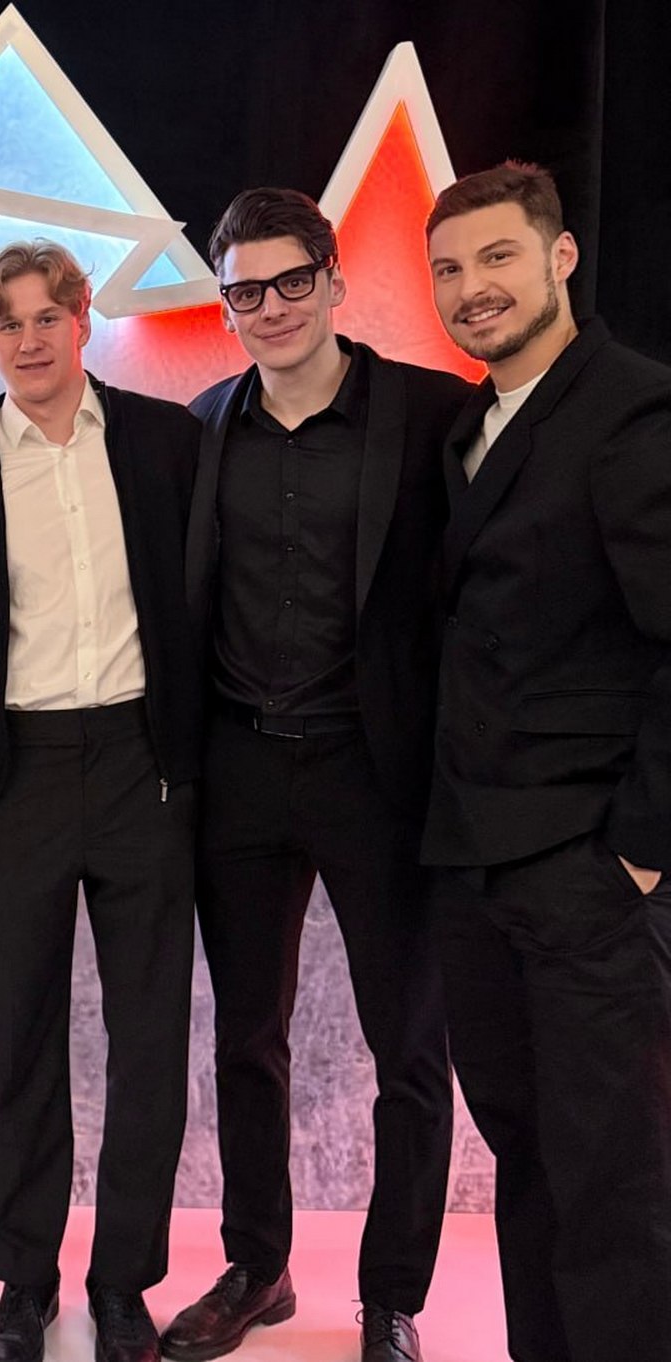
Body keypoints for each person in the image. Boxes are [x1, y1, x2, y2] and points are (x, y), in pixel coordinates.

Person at [160, 188, 468, 1362]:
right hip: (237, 768)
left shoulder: (432, 416)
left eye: (293, 280)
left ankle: (391, 1297)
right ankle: (258, 1267)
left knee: (408, 1047)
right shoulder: (199, 429)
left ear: (335, 282)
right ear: (224, 305)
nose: (273, 305)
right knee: (247, 1038)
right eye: (247, 289)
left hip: (376, 772)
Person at [0, 240, 202, 1362]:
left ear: (84, 319)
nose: (30, 339)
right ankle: (25, 1282)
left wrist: (186, 758)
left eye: (49, 316)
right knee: (16, 1043)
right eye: (8, 321)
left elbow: (210, 598)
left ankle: (124, 1283)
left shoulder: (166, 442)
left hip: (143, 766)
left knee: (150, 1042)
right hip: (19, 775)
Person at [422, 162, 671, 1362]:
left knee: (613, 1185)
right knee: (524, 1164)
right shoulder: (469, 428)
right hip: (476, 869)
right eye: (448, 270)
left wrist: (638, 854)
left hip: (584, 872)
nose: (471, 288)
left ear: (560, 257)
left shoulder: (631, 411)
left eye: (497, 258)